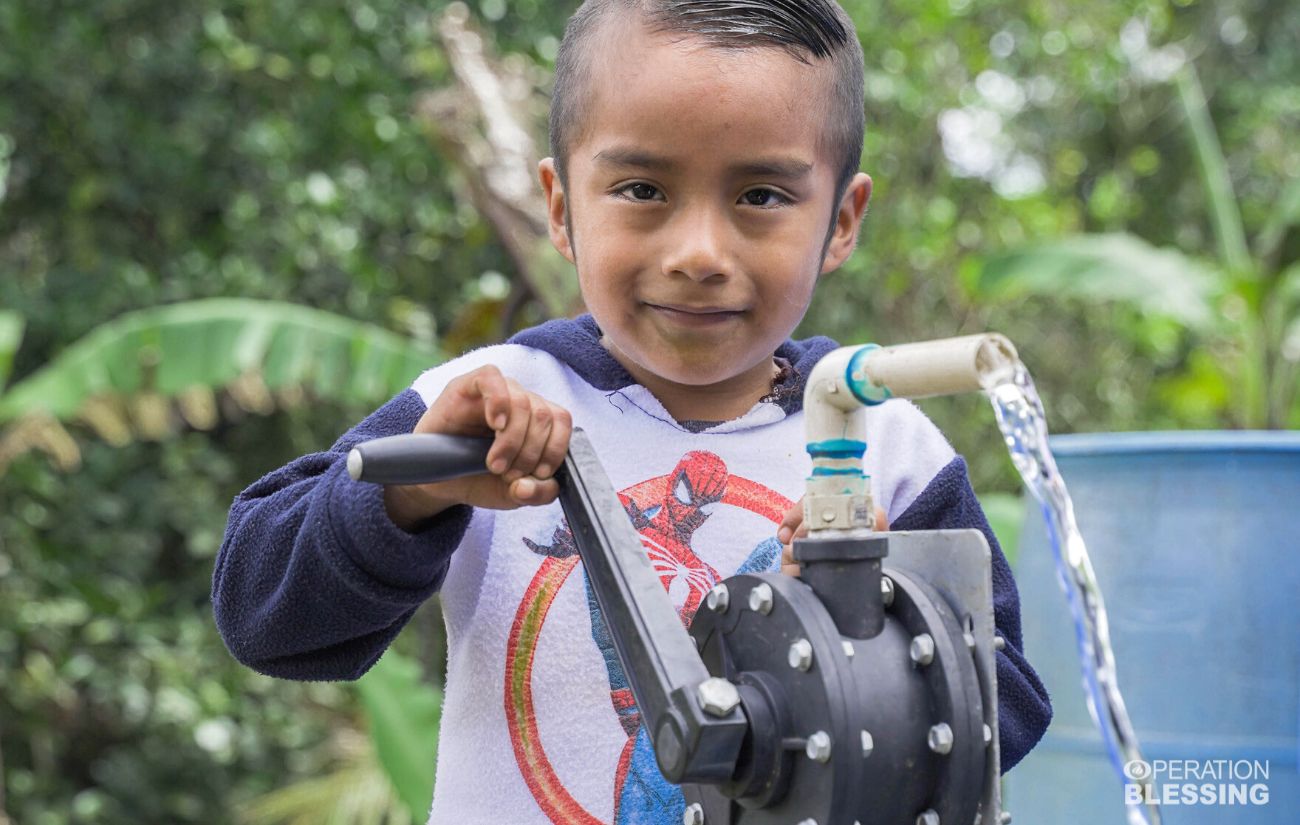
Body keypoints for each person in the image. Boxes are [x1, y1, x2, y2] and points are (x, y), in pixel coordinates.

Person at [213, 1, 1052, 822]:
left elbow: (1003, 709)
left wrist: (864, 609)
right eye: (643, 187)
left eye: (760, 196)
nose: (698, 255)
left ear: (842, 219)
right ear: (561, 206)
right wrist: (414, 492)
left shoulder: (890, 442)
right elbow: (263, 616)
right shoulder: (487, 400)